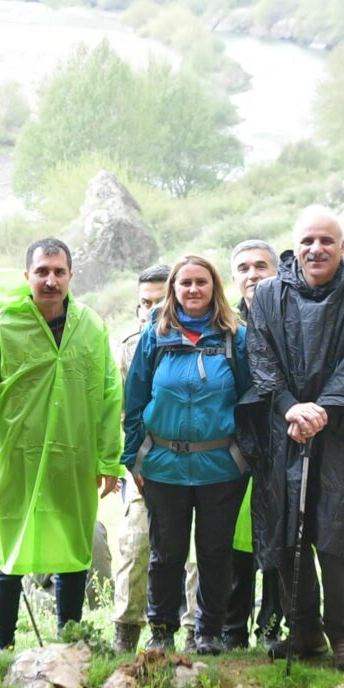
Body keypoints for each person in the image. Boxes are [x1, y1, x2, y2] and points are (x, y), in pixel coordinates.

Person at [242, 206, 344, 669]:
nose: (316, 249)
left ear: (342, 247)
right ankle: (303, 630)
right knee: (286, 532)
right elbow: (261, 357)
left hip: (343, 434)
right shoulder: (269, 296)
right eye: (308, 241)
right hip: (286, 431)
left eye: (327, 241)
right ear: (295, 247)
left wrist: (324, 410)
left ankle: (343, 634)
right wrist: (289, 406)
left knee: (337, 533)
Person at [0, 239, 124, 647]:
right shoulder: (3, 325)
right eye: (42, 271)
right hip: (19, 457)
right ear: (26, 275)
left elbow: (108, 395)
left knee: (74, 547)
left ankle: (70, 640)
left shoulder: (91, 325)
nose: (51, 280)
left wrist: (109, 460)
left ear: (70, 276)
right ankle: (2, 644)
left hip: (75, 459)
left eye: (59, 272)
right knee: (10, 550)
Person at [123, 254, 252, 651]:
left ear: (214, 287)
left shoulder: (235, 336)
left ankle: (208, 632)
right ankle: (161, 631)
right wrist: (133, 460)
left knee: (215, 554)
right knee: (167, 553)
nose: (193, 289)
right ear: (173, 290)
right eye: (185, 283)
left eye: (201, 282)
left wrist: (246, 458)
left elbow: (250, 399)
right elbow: (135, 401)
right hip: (164, 467)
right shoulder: (153, 337)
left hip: (221, 466)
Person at [103, 265, 170, 652]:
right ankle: (125, 633)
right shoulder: (127, 346)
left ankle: (191, 629)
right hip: (143, 463)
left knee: (192, 552)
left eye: (159, 301)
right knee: (134, 544)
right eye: (144, 303)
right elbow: (120, 411)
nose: (151, 310)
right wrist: (128, 463)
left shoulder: (198, 336)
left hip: (193, 460)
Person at [218, 239, 280, 650]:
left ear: (276, 270)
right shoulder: (225, 325)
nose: (252, 274)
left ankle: (273, 625)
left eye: (261, 265)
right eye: (243, 268)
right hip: (235, 447)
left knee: (279, 535)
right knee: (234, 540)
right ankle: (232, 628)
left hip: (282, 442)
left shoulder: (293, 315)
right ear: (234, 277)